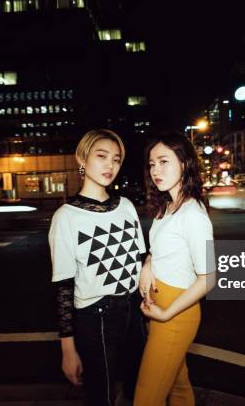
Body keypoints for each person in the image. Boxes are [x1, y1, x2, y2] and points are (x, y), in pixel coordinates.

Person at [48, 129, 147, 406]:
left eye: (116, 159)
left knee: (138, 389)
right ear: (82, 158)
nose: (110, 165)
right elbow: (63, 286)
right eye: (101, 156)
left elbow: (139, 258)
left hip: (134, 310)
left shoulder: (126, 206)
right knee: (100, 395)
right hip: (96, 316)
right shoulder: (66, 217)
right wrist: (68, 349)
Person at [134, 132, 216, 406]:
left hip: (176, 314)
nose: (156, 170)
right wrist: (148, 263)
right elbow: (161, 251)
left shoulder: (193, 215)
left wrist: (166, 313)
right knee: (178, 388)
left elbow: (209, 278)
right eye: (152, 163)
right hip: (158, 308)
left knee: (146, 398)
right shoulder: (166, 207)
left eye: (164, 161)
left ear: (184, 163)